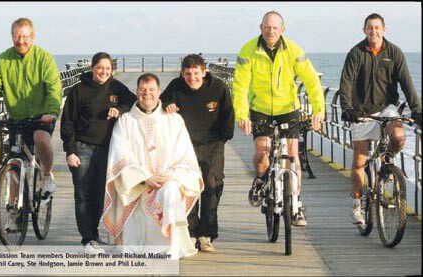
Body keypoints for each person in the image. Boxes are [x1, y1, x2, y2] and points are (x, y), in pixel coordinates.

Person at [232, 11, 325, 226]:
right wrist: (242, 115)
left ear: (282, 29)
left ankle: (297, 203)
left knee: (292, 154)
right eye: (267, 27)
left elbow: (311, 81)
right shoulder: (248, 50)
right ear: (260, 27)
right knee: (262, 151)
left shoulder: (293, 50)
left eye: (275, 28)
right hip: (260, 108)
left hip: (288, 108)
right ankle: (260, 180)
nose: (270, 31)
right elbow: (240, 86)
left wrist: (319, 110)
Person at [102, 73, 204, 260]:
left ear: (159, 93)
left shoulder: (173, 119)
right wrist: (144, 178)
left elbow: (184, 153)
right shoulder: (126, 121)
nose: (147, 94)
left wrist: (169, 176)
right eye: (142, 90)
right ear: (136, 92)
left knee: (172, 191)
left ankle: (171, 247)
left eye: (151, 90)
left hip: (166, 179)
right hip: (138, 184)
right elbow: (120, 154)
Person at [339, 13, 422, 225]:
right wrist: (347, 109)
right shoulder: (356, 53)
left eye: (377, 27)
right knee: (359, 160)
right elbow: (346, 83)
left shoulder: (394, 53)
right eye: (369, 28)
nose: (373, 31)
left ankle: (387, 163)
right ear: (364, 30)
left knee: (398, 135)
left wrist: (417, 110)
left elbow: (407, 83)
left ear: (384, 30)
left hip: (387, 108)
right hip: (361, 111)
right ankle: (357, 205)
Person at [0, 18, 62, 231]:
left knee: (40, 138)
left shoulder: (43, 58)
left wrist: (51, 112)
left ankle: (46, 175)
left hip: (40, 117)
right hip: (16, 119)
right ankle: (14, 212)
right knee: (15, 164)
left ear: (32, 37)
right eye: (17, 36)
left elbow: (54, 87)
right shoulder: (3, 60)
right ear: (12, 37)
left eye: (25, 36)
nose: (21, 41)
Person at [60, 52, 136, 254]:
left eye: (108, 69)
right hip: (82, 149)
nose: (103, 72)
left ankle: (94, 234)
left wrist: (119, 108)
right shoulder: (79, 90)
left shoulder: (116, 87)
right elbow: (67, 122)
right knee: (83, 196)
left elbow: (133, 102)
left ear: (112, 71)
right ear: (92, 68)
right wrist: (70, 151)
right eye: (100, 68)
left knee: (100, 195)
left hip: (107, 150)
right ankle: (87, 240)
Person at [160, 54, 234, 252]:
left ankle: (206, 234)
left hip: (213, 143)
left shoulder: (218, 87)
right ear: (182, 74)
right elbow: (160, 102)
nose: (192, 78)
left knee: (212, 186)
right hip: (186, 145)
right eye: (187, 74)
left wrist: (223, 137)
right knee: (189, 188)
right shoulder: (176, 86)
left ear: (203, 72)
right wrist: (167, 104)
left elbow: (228, 114)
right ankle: (191, 232)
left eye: (195, 73)